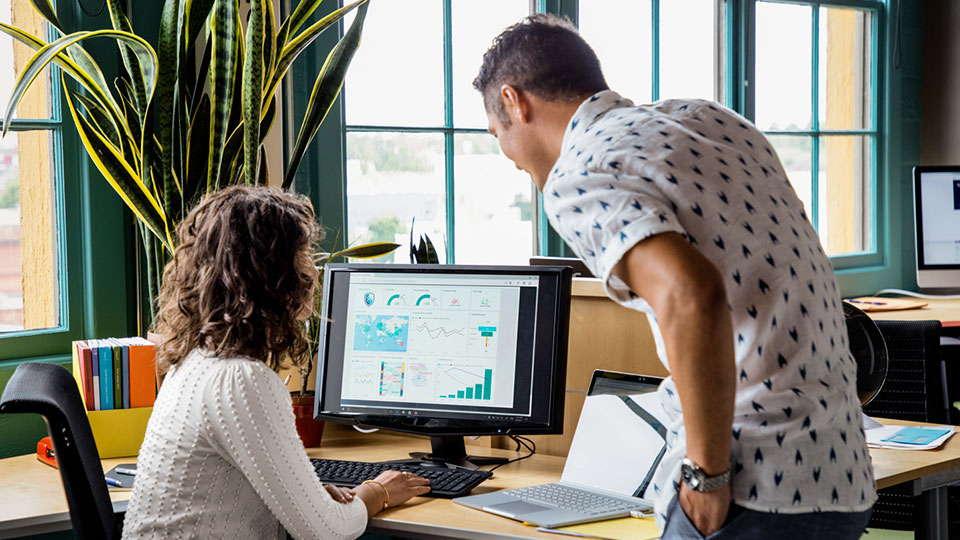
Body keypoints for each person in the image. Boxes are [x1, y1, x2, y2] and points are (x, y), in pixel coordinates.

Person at [473, 14, 875, 539]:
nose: (510, 158)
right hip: (842, 473)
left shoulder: (579, 172)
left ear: (514, 103)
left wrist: (706, 482)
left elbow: (691, 295)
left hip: (752, 489)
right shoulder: (708, 120)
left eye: (496, 134)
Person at [122, 186, 430, 539]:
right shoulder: (240, 380)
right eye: (302, 257)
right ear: (272, 276)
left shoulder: (193, 362)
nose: (312, 272)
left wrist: (312, 498)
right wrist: (379, 492)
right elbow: (326, 531)